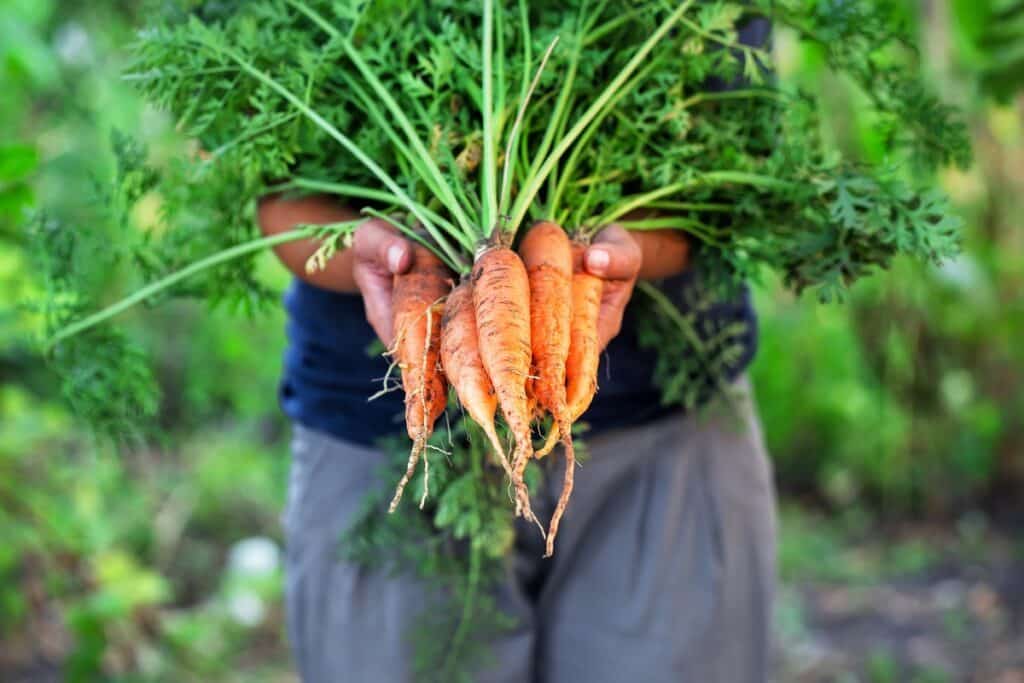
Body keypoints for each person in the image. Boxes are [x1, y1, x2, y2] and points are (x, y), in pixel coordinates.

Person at [259, 18, 777, 683]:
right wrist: (390, 255)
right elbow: (276, 198)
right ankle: (457, 419)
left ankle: (538, 417)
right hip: (370, 445)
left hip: (664, 436)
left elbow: (730, 175)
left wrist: (616, 255)